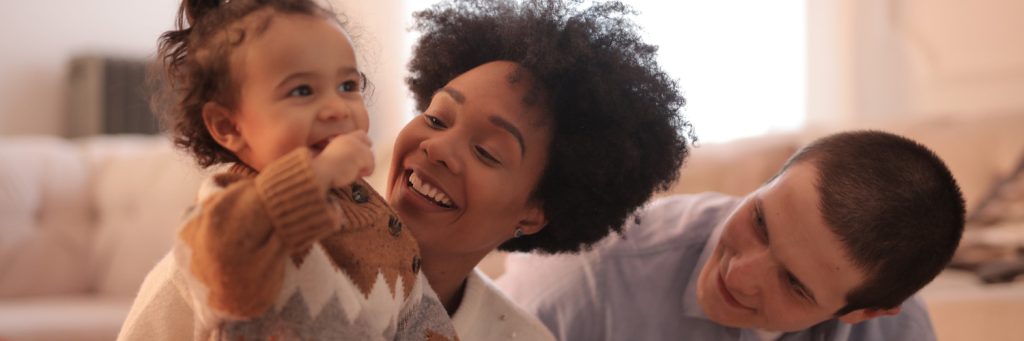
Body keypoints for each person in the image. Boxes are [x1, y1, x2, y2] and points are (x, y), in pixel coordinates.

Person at [119, 0, 693, 339]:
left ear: (536, 209)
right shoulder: (254, 232)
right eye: (437, 118)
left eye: (489, 152)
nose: (438, 149)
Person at [119, 0, 456, 340]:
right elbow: (224, 268)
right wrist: (317, 174)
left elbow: (417, 319)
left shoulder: (380, 227)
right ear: (228, 126)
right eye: (302, 91)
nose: (338, 108)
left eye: (348, 86)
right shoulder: (229, 209)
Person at [498, 130, 966, 340]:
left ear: (863, 312)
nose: (738, 276)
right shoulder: (581, 280)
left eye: (795, 284)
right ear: (764, 183)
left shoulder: (898, 330)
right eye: (760, 221)